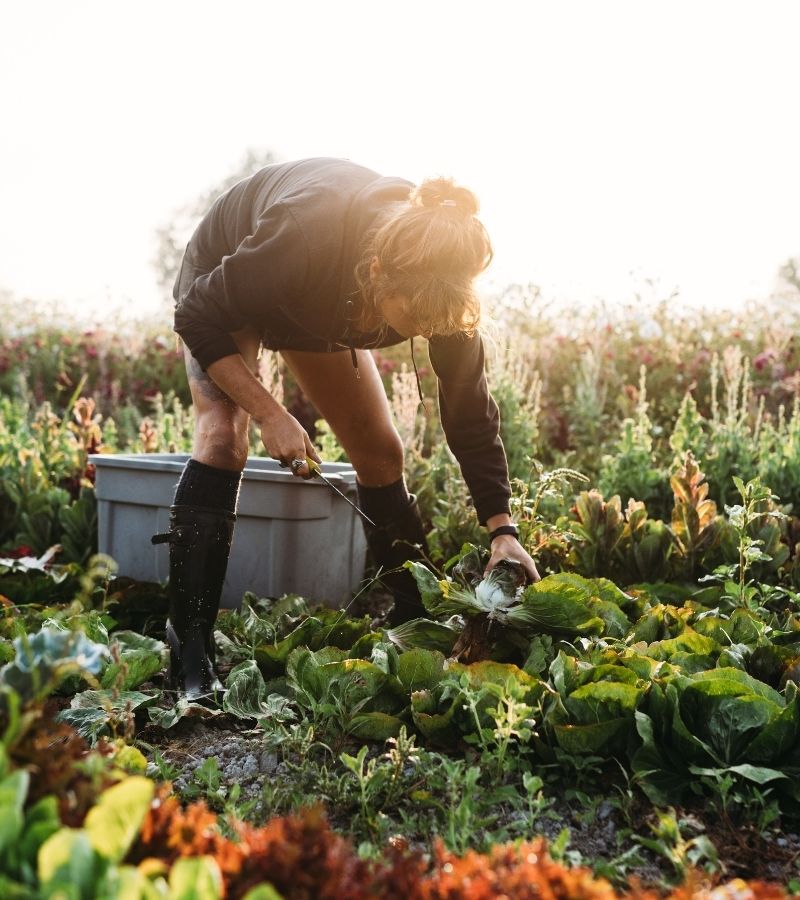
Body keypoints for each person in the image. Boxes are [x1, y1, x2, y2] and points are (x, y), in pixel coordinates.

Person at [154, 157, 540, 699]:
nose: (427, 332)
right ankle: (189, 648)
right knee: (224, 436)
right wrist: (270, 412)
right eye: (414, 323)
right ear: (378, 272)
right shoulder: (304, 234)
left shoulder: (441, 289)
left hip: (319, 306)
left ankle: (413, 624)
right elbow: (196, 315)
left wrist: (502, 530)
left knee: (381, 453)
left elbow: (470, 414)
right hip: (229, 279)